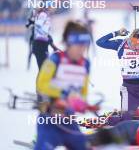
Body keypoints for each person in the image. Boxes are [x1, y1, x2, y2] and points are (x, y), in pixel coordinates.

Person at [34, 21, 97, 150]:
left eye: (84, 46)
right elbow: (41, 85)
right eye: (78, 46)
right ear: (69, 43)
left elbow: (82, 92)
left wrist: (83, 104)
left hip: (69, 122)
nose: (82, 50)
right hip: (49, 121)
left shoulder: (85, 64)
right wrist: (63, 94)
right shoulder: (55, 60)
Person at [96, 28, 139, 125]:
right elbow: (100, 42)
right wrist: (116, 33)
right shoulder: (121, 44)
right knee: (125, 120)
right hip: (129, 91)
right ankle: (111, 117)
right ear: (130, 39)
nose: (137, 46)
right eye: (134, 43)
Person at [32, 0, 59, 70]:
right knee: (43, 70)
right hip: (40, 45)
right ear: (48, 6)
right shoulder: (43, 14)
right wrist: (47, 37)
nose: (55, 7)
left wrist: (52, 44)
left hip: (42, 45)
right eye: (53, 5)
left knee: (43, 70)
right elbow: (38, 27)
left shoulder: (46, 15)